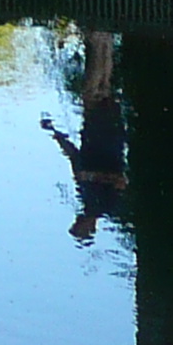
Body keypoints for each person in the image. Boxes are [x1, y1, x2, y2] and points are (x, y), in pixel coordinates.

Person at [39, 27, 128, 242]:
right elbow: (121, 181)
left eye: (76, 224)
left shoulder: (85, 198)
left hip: (92, 133)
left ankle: (103, 40)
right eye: (80, 225)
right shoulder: (107, 206)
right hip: (108, 137)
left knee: (98, 92)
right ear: (90, 227)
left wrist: (55, 133)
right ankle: (101, 40)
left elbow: (74, 158)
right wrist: (95, 176)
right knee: (96, 92)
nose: (78, 220)